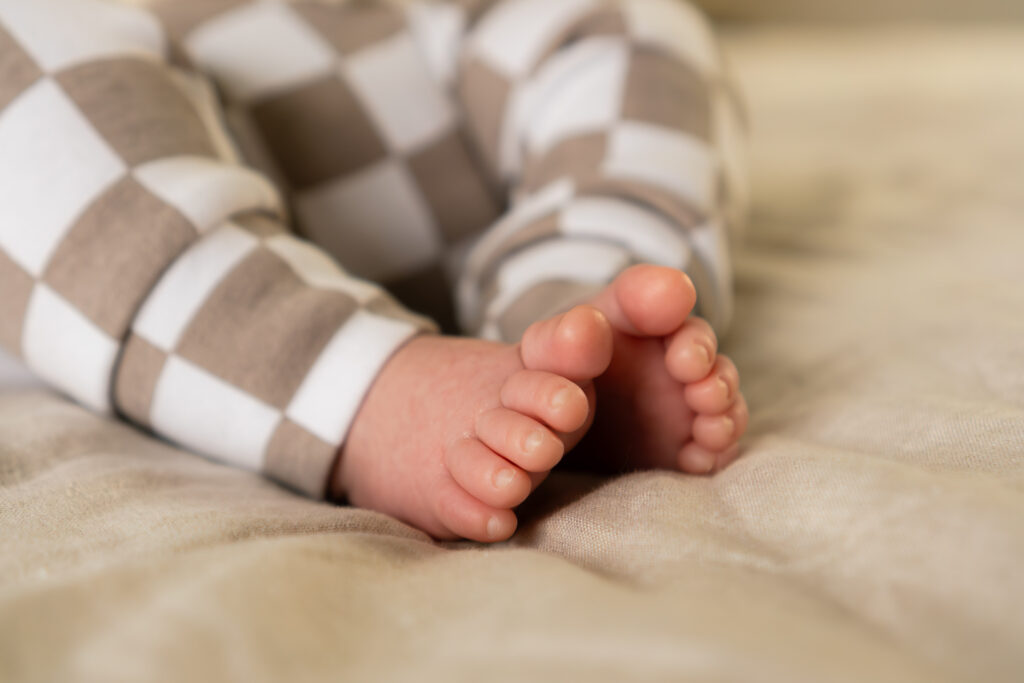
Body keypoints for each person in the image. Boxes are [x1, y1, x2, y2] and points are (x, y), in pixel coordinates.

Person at [0, 0, 748, 542]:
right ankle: (361, 389)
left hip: (426, 66)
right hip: (110, 227)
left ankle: (574, 308)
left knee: (638, 21)